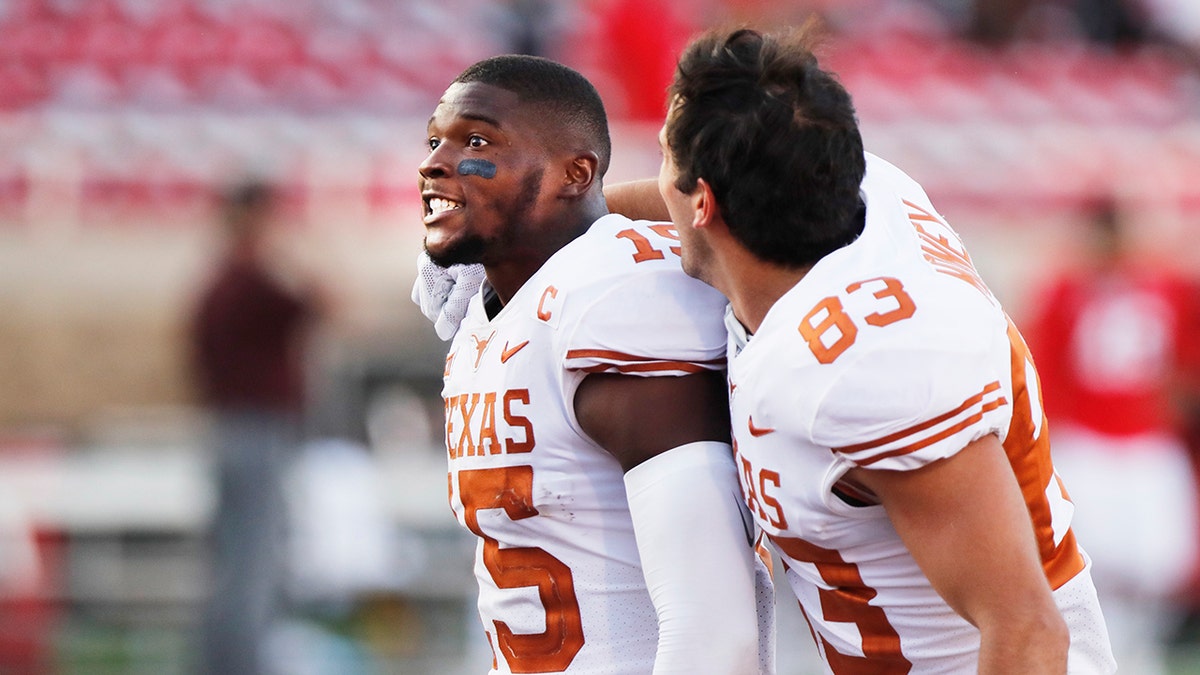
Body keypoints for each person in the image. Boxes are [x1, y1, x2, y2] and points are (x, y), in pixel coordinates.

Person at [628, 24, 1116, 673]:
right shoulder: (861, 191)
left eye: (664, 159)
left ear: (704, 202)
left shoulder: (863, 367)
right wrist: (539, 224)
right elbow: (675, 202)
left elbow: (1027, 630)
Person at [414, 54, 772, 674]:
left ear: (574, 173)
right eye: (434, 140)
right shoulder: (495, 310)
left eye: (476, 141)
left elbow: (715, 630)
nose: (434, 163)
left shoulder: (613, 298)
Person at [1023, 198, 1200, 675]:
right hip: (1090, 442)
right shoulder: (1065, 291)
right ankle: (1106, 656)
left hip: (1146, 442)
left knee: (1156, 565)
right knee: (1089, 567)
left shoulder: (1167, 286)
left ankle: (1140, 652)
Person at [189, 180, 326, 675]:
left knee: (233, 562)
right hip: (257, 433)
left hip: (231, 429)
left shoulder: (220, 281)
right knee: (252, 566)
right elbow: (326, 301)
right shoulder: (251, 282)